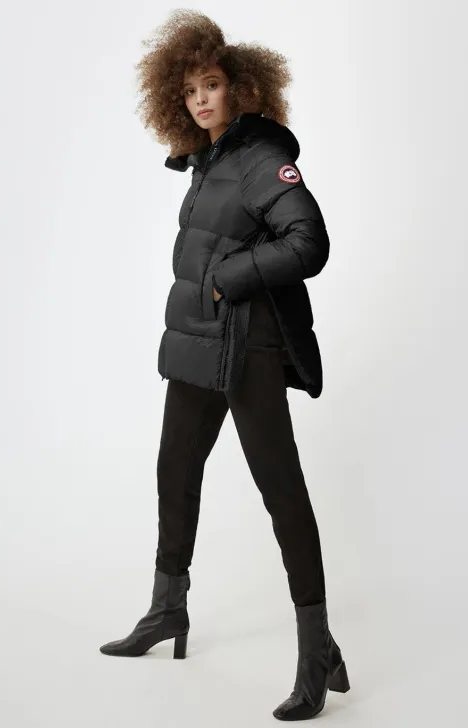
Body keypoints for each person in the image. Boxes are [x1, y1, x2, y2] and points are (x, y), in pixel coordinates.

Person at [98, 10, 349, 721]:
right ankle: (166, 609)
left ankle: (317, 650)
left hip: (249, 345)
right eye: (189, 91)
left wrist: (230, 278)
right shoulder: (208, 160)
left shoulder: (261, 156)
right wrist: (212, 288)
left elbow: (309, 241)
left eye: (211, 85)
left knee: (281, 491)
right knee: (174, 469)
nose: (200, 100)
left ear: (239, 87)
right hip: (197, 343)